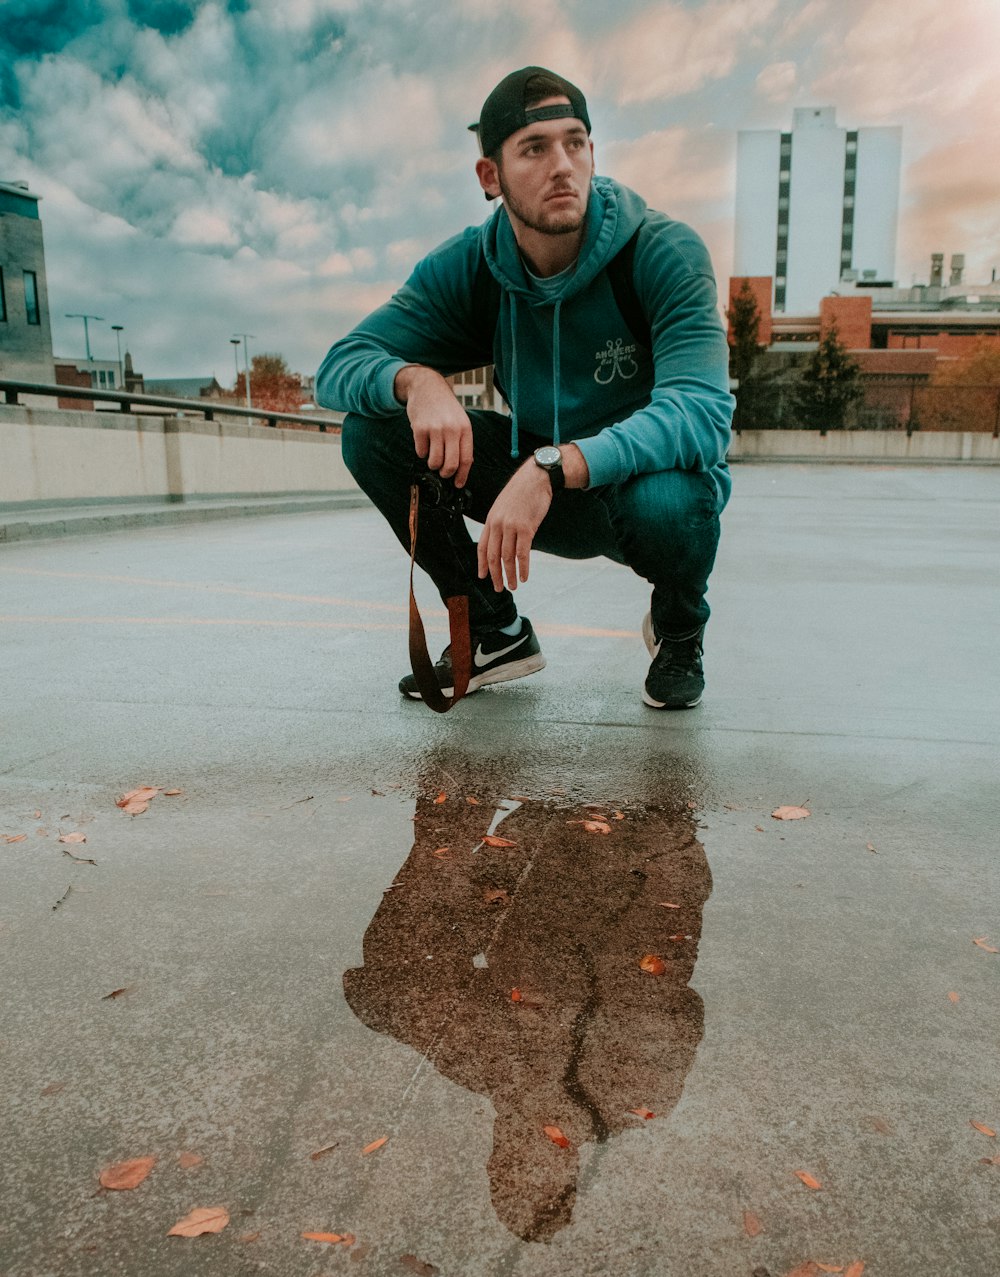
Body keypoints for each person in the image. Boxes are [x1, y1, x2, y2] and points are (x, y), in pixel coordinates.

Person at [315, 66, 734, 709]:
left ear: (593, 152)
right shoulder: (473, 268)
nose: (562, 165)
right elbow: (339, 366)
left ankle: (679, 629)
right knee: (372, 431)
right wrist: (415, 379)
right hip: (528, 475)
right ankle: (492, 631)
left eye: (575, 142)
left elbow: (702, 413)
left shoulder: (661, 251)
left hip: (636, 487)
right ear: (491, 177)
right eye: (534, 149)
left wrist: (552, 467)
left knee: (673, 496)